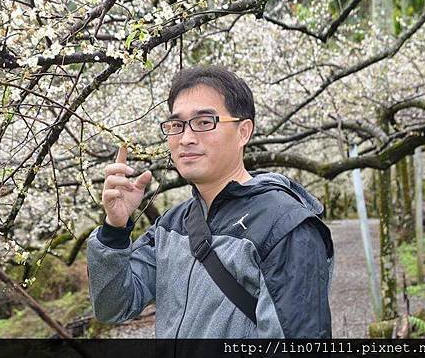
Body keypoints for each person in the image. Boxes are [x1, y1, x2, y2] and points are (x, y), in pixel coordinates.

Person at [87, 65, 334, 338]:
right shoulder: (172, 225)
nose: (186, 138)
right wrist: (114, 229)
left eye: (204, 122)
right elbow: (113, 308)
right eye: (177, 125)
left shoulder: (284, 227)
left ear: (243, 132)